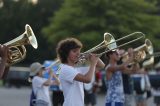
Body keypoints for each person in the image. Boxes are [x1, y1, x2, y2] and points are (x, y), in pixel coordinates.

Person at [56, 38, 105, 106]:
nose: (78, 53)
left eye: (79, 51)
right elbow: (87, 79)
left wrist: (90, 56)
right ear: (66, 53)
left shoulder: (75, 69)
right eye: (74, 51)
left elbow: (101, 66)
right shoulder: (65, 68)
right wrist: (93, 63)